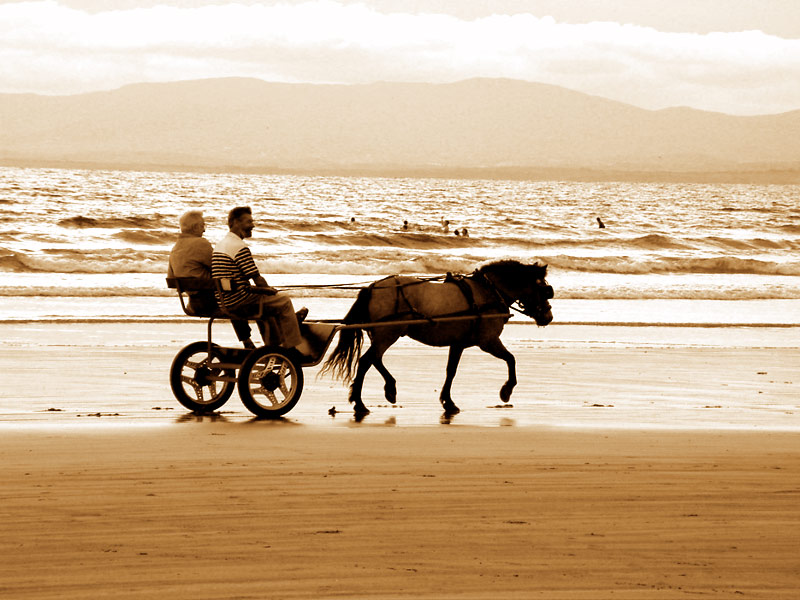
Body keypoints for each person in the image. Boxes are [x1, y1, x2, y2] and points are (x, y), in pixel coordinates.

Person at [212, 206, 308, 353]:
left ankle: (273, 344)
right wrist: (270, 290)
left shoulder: (220, 245)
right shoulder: (239, 247)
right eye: (249, 221)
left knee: (267, 301)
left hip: (224, 300)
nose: (253, 225)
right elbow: (257, 278)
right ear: (236, 222)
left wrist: (266, 292)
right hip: (238, 301)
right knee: (284, 301)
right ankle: (292, 347)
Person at [167, 210, 254, 348]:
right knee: (237, 295)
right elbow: (220, 266)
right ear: (195, 228)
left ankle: (247, 341)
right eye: (202, 226)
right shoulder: (201, 243)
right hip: (210, 302)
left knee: (229, 289)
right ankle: (250, 341)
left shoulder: (175, 248)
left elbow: (171, 278)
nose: (204, 230)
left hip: (192, 304)